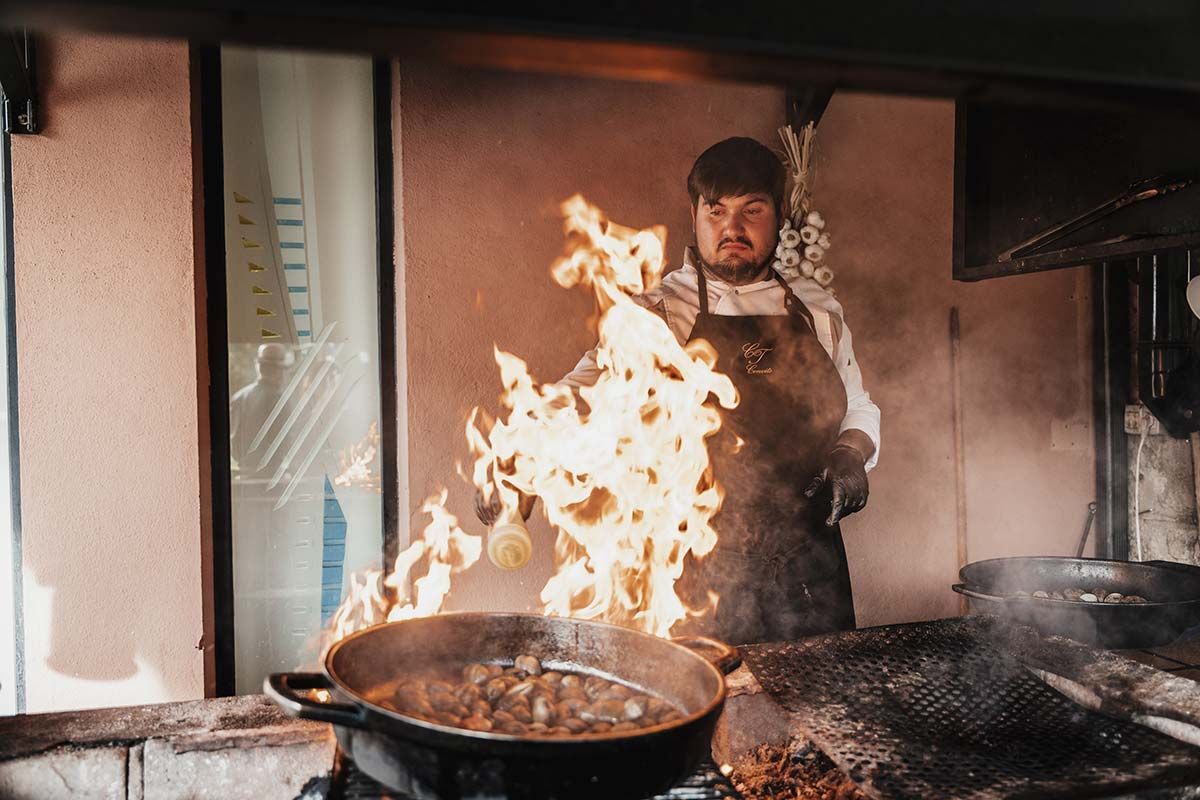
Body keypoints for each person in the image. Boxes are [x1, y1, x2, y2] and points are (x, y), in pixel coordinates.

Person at [483, 137, 881, 645]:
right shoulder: (656, 313)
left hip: (810, 558)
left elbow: (860, 407)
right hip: (697, 563)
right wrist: (518, 459)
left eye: (751, 210)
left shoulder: (817, 310)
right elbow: (576, 398)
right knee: (713, 708)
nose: (732, 229)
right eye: (716, 211)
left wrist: (849, 455)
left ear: (779, 215)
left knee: (821, 704)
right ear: (694, 215)